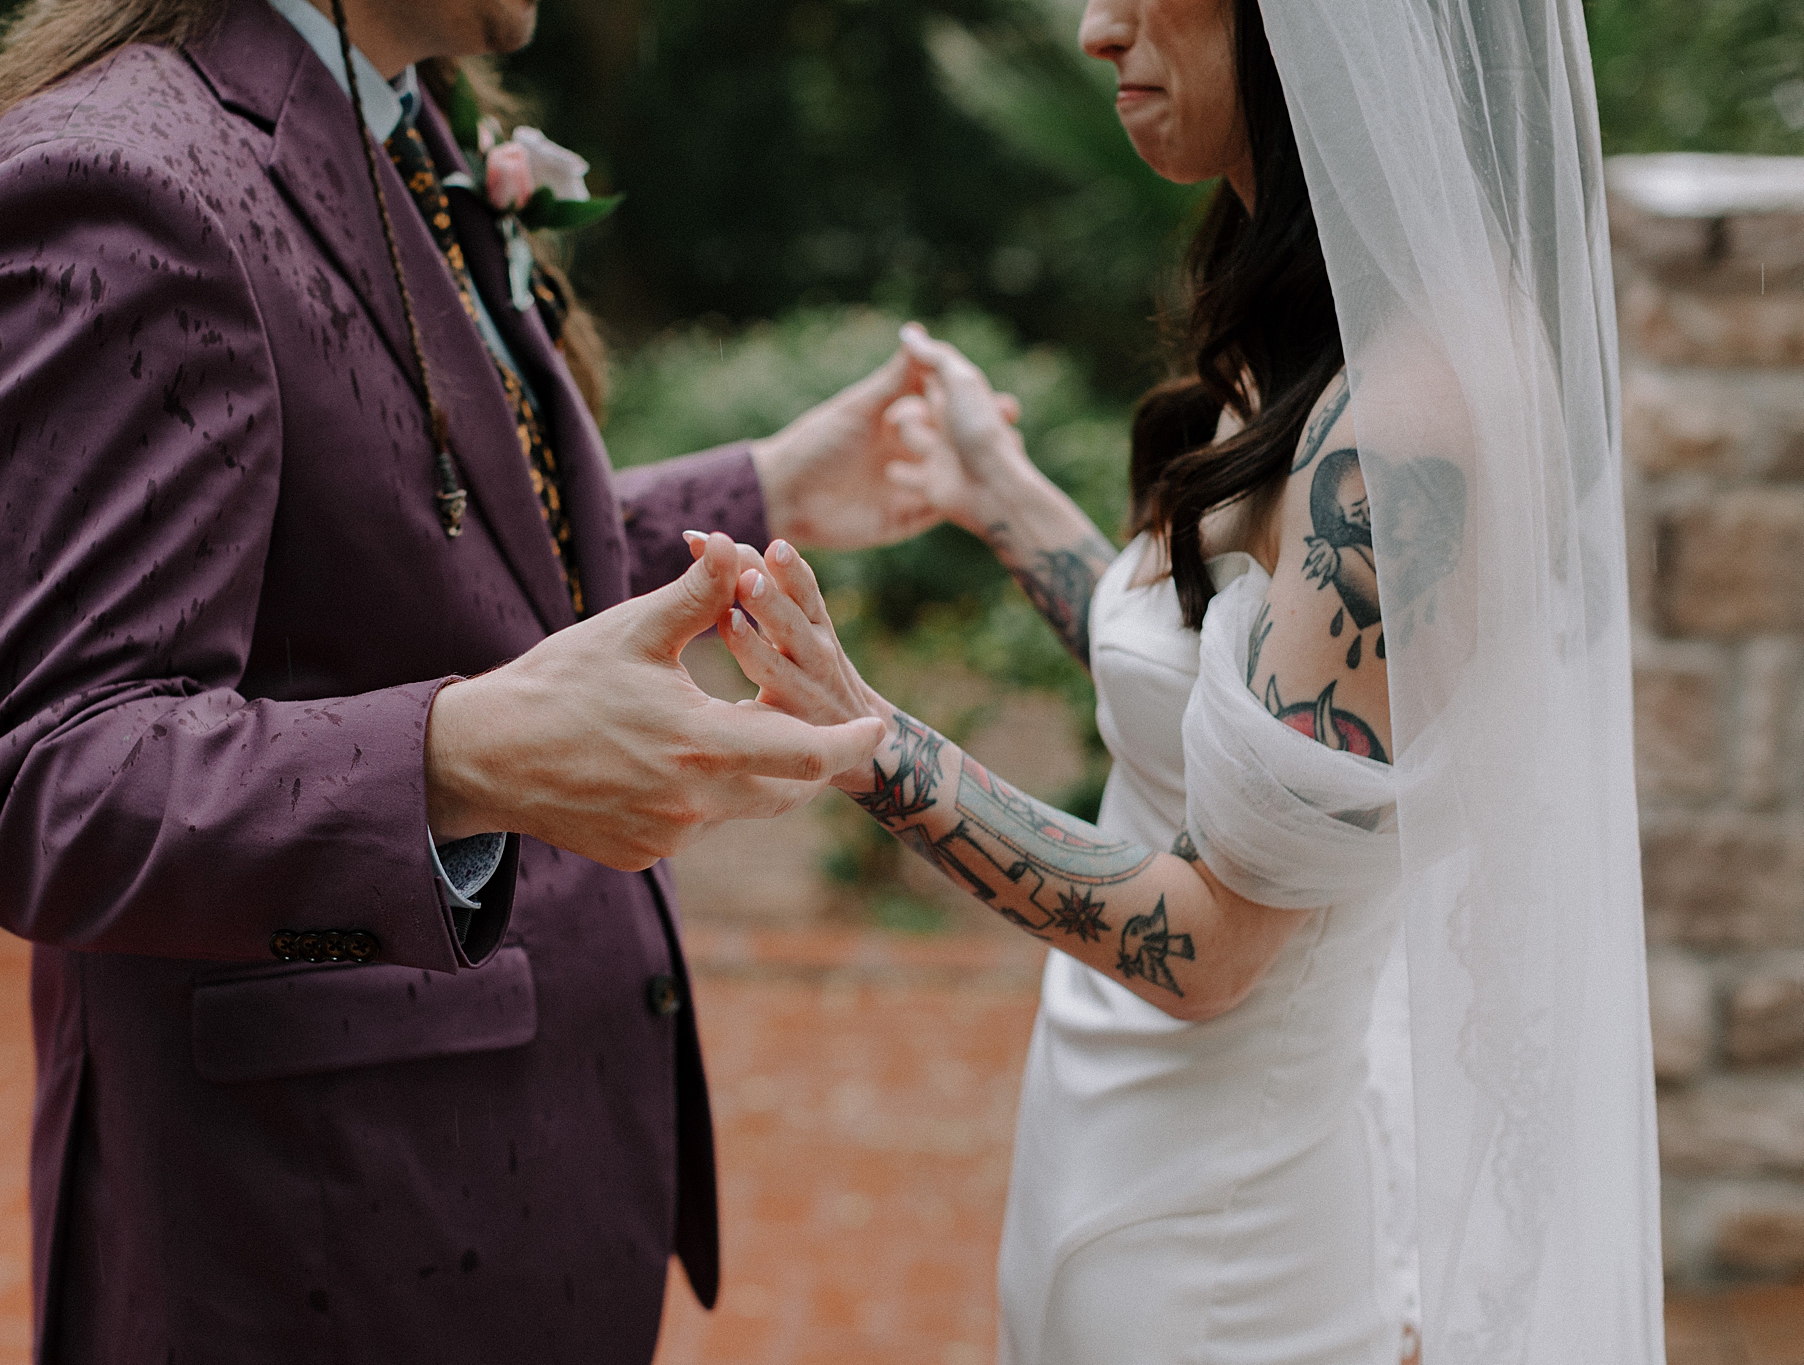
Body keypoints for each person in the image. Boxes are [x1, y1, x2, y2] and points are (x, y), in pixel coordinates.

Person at [0, 0, 967, 1358]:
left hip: (501, 1212)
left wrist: (766, 489)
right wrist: (462, 760)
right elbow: (51, 779)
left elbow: (412, 550)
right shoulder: (105, 185)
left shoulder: (394, 115)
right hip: (307, 1251)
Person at [711, 0, 1664, 1360]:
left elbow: (1217, 941)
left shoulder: (1408, 422)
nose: (1099, 29)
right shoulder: (1319, 325)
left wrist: (871, 744)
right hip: (1111, 1155)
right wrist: (1005, 500)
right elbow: (1219, 710)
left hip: (1222, 1253)